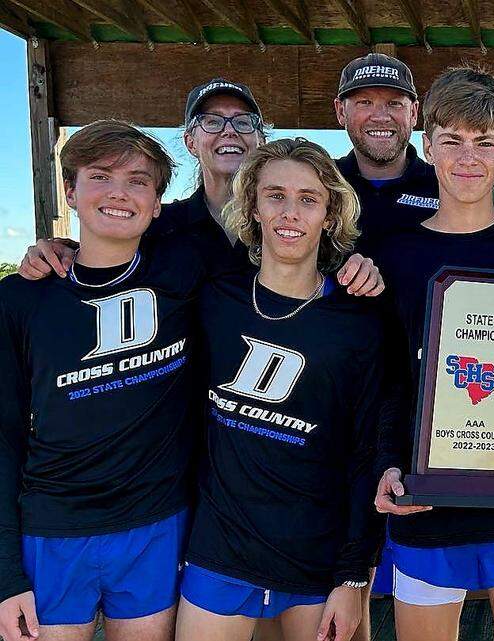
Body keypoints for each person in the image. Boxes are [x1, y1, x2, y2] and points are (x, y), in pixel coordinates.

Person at [174, 137, 402, 641]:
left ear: (329, 212)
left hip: (317, 562)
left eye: (307, 198)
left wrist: (351, 575)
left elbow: (366, 453)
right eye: (275, 195)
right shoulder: (214, 298)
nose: (290, 212)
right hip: (220, 553)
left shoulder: (356, 322)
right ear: (252, 205)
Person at [372, 65, 494, 641]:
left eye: (484, 141)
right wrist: (384, 462)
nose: (467, 156)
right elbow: (386, 380)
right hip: (424, 501)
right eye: (451, 140)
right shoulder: (393, 257)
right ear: (426, 146)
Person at [0, 120, 194, 641]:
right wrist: (5, 575)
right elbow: (3, 434)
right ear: (70, 189)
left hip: (154, 523)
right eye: (100, 175)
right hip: (53, 527)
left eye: (137, 181)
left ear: (157, 203)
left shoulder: (184, 275)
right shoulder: (21, 298)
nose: (118, 193)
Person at [19, 78, 383, 296]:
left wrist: (362, 269)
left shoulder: (296, 227)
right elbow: (102, 257)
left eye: (243, 122)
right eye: (211, 121)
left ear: (260, 139)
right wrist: (60, 251)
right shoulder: (157, 226)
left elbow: (342, 273)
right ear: (191, 141)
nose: (228, 131)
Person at [334, 52, 441, 257]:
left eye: (394, 103)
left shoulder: (445, 187)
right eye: (364, 102)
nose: (381, 117)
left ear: (413, 113)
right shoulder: (321, 182)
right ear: (341, 111)